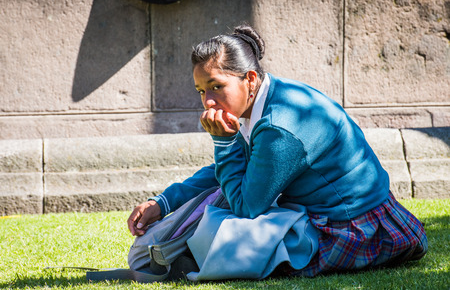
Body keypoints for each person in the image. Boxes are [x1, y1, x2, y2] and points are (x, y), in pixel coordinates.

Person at [127, 25, 428, 278]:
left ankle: (194, 258)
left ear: (250, 79)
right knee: (218, 205)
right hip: (336, 215)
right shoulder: (265, 99)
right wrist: (163, 202)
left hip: (351, 228)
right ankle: (192, 253)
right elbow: (228, 173)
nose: (207, 101)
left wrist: (223, 143)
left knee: (229, 221)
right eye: (201, 90)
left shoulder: (279, 127)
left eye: (216, 86)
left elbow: (246, 207)